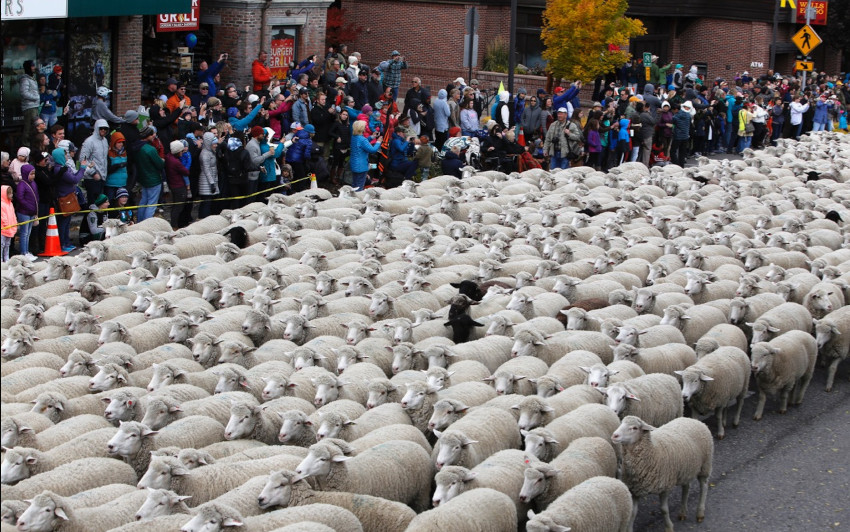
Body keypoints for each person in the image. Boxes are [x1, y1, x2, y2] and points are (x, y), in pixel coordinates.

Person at [51, 146, 87, 252]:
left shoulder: (64, 167)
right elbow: (74, 179)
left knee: (67, 222)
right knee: (63, 222)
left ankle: (66, 241)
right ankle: (63, 243)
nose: (67, 156)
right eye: (64, 154)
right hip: (64, 198)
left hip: (69, 196)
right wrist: (82, 168)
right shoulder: (59, 169)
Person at [134, 126, 165, 222]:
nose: (154, 136)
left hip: (143, 178)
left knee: (144, 201)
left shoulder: (136, 147)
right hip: (153, 179)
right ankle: (147, 224)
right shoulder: (150, 149)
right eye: (152, 134)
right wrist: (162, 161)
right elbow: (160, 164)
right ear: (147, 135)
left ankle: (140, 221)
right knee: (152, 204)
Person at [80, 119, 110, 204]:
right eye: (101, 128)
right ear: (97, 128)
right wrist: (93, 173)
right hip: (92, 178)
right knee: (93, 204)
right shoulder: (89, 141)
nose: (103, 130)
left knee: (100, 204)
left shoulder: (105, 141)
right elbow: (83, 160)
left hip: (102, 177)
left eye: (105, 128)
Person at [165, 140, 190, 229]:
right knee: (178, 207)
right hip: (179, 186)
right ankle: (174, 226)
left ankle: (174, 225)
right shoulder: (175, 162)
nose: (182, 153)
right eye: (181, 151)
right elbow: (186, 172)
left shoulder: (168, 157)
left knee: (175, 206)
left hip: (173, 185)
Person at [349, 120, 381, 191]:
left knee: (354, 184)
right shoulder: (362, 139)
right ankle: (357, 199)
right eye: (364, 126)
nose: (366, 128)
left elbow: (363, 143)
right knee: (360, 186)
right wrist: (378, 142)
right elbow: (372, 150)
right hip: (361, 165)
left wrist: (372, 137)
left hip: (354, 164)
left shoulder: (354, 137)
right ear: (361, 128)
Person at [15, 164, 38, 260]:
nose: (33, 176)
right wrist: (30, 207)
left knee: (28, 232)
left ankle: (27, 251)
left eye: (34, 174)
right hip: (24, 212)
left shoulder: (33, 183)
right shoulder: (22, 185)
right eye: (31, 174)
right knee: (24, 233)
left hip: (32, 212)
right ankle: (23, 252)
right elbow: (20, 198)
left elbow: (36, 196)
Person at [198, 132, 219, 219]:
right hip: (206, 181)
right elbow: (206, 169)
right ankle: (204, 219)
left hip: (212, 179)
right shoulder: (205, 154)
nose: (216, 145)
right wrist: (211, 183)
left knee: (210, 203)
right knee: (206, 203)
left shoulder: (210, 152)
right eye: (214, 144)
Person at [328, 109, 351, 187]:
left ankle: (338, 177)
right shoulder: (337, 123)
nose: (345, 116)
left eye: (346, 115)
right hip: (337, 146)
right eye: (343, 114)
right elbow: (330, 132)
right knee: (335, 162)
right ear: (340, 115)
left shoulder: (348, 125)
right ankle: (332, 178)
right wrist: (336, 137)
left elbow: (348, 135)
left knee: (341, 163)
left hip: (345, 146)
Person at [19, 60, 40, 143]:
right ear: (28, 67)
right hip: (29, 107)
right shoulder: (25, 79)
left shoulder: (31, 78)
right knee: (28, 128)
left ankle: (32, 146)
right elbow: (24, 93)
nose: (34, 68)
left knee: (34, 127)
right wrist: (36, 97)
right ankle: (26, 146)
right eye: (32, 66)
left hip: (34, 106)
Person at [670, 102, 692, 167]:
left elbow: (672, 120)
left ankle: (676, 164)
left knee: (672, 151)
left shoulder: (677, 116)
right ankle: (681, 165)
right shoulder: (688, 115)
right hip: (685, 136)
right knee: (682, 152)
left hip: (678, 136)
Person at [1, 185, 16, 262]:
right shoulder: (2, 204)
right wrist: (6, 225)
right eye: (9, 193)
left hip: (10, 228)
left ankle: (6, 259)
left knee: (7, 245)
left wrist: (14, 224)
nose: (11, 195)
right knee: (2, 245)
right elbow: (2, 216)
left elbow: (13, 215)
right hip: (3, 229)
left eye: (12, 193)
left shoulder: (10, 204)